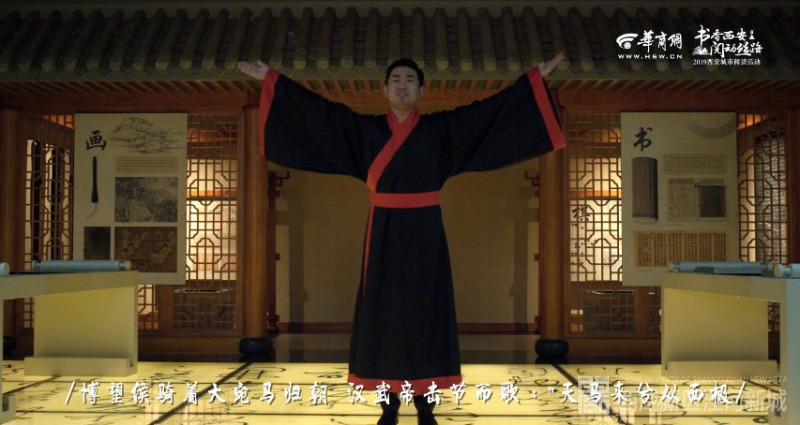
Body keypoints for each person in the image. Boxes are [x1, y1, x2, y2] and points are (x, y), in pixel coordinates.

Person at [239, 53, 565, 425]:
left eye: (410, 80)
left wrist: (532, 80)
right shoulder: (364, 131)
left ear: (421, 90)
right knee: (384, 315)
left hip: (426, 231)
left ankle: (426, 405)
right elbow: (320, 115)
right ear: (384, 89)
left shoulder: (442, 131)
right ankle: (388, 405)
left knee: (427, 312)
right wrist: (273, 79)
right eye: (395, 80)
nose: (402, 85)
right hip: (383, 231)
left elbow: (487, 115)